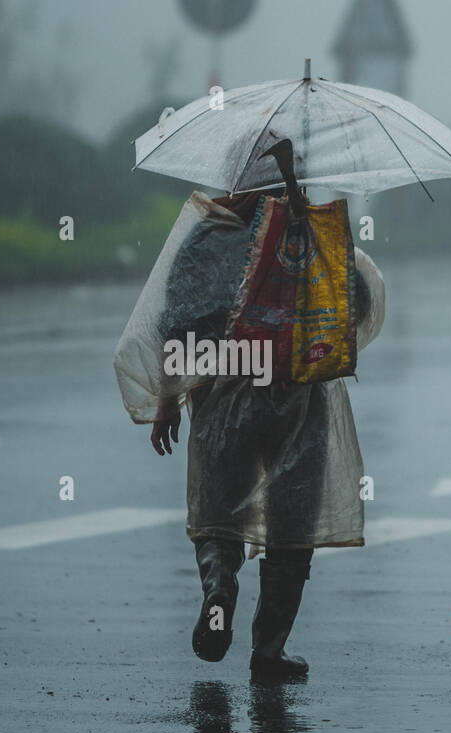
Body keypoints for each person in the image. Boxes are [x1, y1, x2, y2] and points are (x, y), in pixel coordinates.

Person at [116, 139, 385, 682]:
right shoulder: (309, 234)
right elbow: (353, 304)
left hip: (222, 400)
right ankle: (269, 652)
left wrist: (169, 399)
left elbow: (177, 319)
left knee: (220, 512)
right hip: (296, 403)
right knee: (292, 524)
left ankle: (219, 590)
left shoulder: (211, 232)